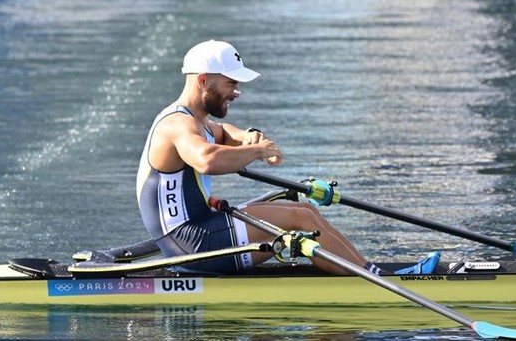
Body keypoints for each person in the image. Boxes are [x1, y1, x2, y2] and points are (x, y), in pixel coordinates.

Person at [136, 39, 436, 275]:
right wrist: (257, 151)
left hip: (201, 230)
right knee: (301, 218)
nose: (236, 92)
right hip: (192, 242)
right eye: (231, 83)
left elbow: (223, 132)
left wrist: (248, 134)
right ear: (203, 80)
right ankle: (375, 281)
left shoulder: (197, 120)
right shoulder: (178, 124)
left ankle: (368, 270)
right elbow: (207, 160)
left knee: (305, 211)